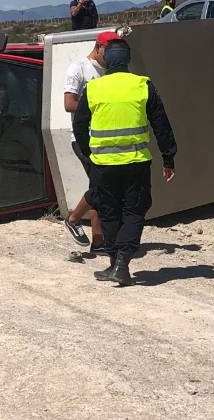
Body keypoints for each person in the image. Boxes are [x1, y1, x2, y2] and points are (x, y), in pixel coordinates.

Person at [73, 39, 177, 285]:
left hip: (103, 165)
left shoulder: (93, 88)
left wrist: (89, 152)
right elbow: (161, 125)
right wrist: (168, 157)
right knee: (134, 210)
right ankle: (121, 263)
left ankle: (114, 263)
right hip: (135, 164)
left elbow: (79, 124)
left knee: (108, 212)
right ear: (128, 60)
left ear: (106, 60)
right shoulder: (142, 85)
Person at [61, 30, 119, 251]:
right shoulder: (78, 68)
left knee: (99, 186)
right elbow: (69, 104)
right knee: (100, 186)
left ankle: (98, 240)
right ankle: (74, 219)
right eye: (109, 50)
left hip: (105, 139)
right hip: (84, 138)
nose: (112, 55)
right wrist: (99, 108)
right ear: (98, 48)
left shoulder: (111, 71)